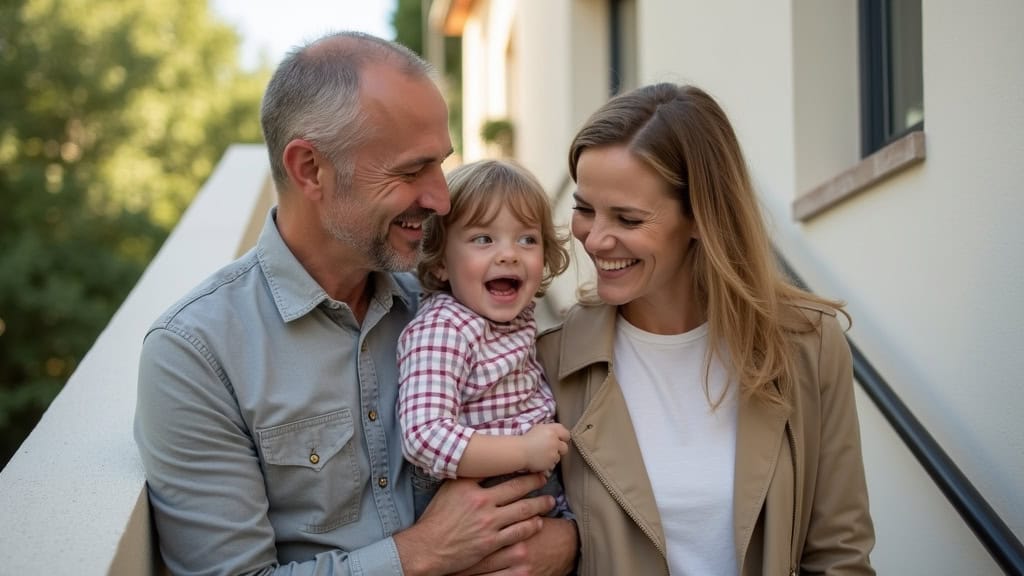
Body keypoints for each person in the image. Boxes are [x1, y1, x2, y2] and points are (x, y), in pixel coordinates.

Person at [134, 31, 577, 576]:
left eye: (441, 164)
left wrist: (563, 544)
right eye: (411, 171)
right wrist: (424, 553)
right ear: (310, 169)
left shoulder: (453, 300)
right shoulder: (198, 354)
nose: (441, 198)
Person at [535, 83, 875, 575]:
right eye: (585, 208)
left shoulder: (809, 345)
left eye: (628, 218)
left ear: (701, 217)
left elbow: (840, 554)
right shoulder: (550, 360)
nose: (596, 238)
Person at [397, 160, 572, 519]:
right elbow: (424, 436)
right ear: (440, 263)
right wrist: (523, 451)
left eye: (527, 239)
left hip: (535, 483)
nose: (509, 253)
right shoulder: (445, 328)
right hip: (480, 492)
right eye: (483, 239)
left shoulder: (517, 319)